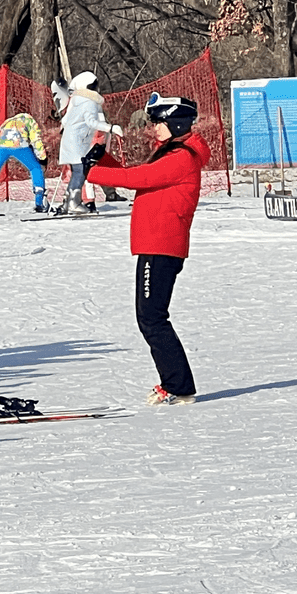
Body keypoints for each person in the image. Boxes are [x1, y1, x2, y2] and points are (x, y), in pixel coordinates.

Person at [85, 92, 209, 406]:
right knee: (150, 317)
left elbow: (139, 178)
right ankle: (176, 384)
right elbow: (137, 177)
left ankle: (178, 386)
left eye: (159, 122)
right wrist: (101, 158)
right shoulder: (171, 151)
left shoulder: (181, 157)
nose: (153, 128)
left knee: (152, 318)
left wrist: (90, 171)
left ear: (177, 124)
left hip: (162, 245)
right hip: (154, 244)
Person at [55, 70, 124, 215]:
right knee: (82, 172)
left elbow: (66, 120)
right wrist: (111, 128)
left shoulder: (76, 100)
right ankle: (78, 202)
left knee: (78, 172)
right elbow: (92, 122)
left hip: (74, 140)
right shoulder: (88, 101)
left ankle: (69, 202)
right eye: (93, 86)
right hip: (81, 142)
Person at [0, 112, 50, 214]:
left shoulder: (8, 121)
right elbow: (35, 139)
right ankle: (40, 201)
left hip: (0, 145)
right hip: (20, 144)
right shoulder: (30, 120)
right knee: (35, 167)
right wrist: (42, 157)